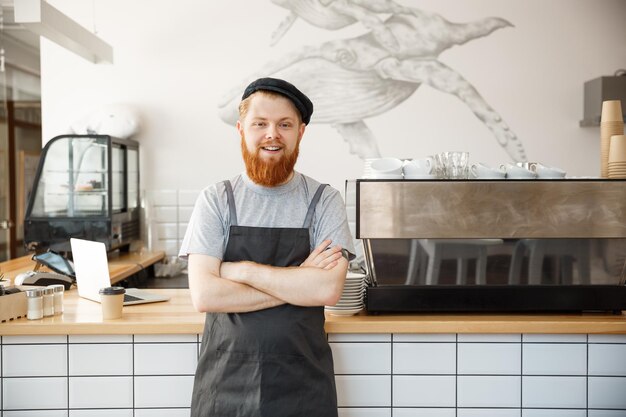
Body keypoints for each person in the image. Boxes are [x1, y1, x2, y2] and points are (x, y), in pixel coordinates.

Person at [179, 77, 356, 417]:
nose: (272, 134)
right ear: (241, 129)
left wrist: (242, 271)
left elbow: (327, 290)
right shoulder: (216, 200)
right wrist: (299, 280)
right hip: (225, 382)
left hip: (303, 383)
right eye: (260, 124)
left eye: (284, 124)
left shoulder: (324, 201)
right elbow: (206, 295)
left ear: (300, 132)